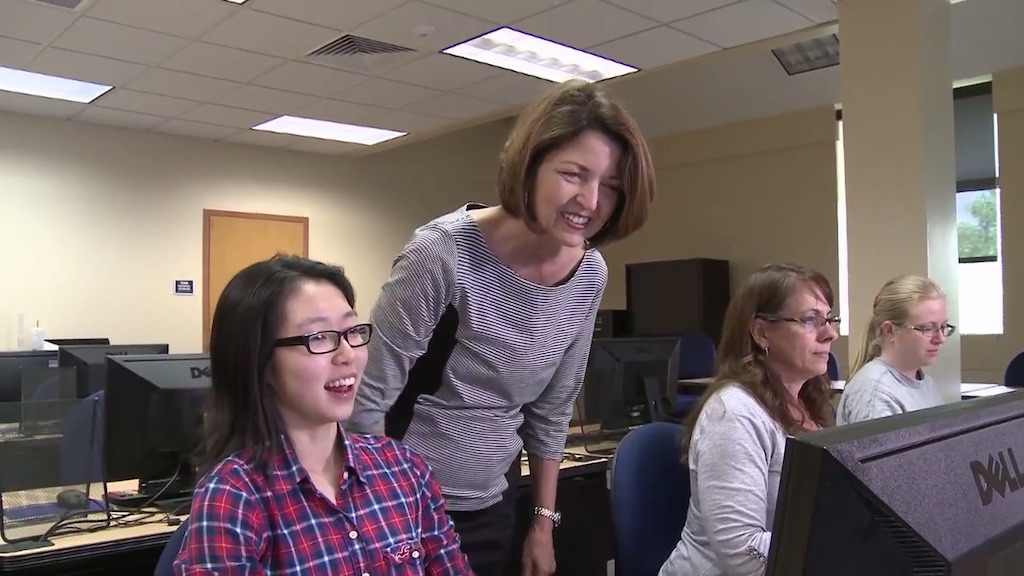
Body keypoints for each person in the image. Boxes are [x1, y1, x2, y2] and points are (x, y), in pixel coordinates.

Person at [344, 79, 656, 575]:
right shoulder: (442, 254)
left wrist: (542, 525)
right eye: (574, 175)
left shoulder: (590, 273)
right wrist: (383, 518)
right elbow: (366, 401)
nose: (591, 200)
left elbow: (552, 412)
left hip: (496, 498)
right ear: (530, 166)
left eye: (611, 186)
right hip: (406, 505)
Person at [173, 254, 471, 575]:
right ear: (259, 360)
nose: (348, 355)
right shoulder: (232, 497)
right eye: (319, 338)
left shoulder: (404, 468)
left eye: (352, 330)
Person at [659, 263, 838, 576]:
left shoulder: (814, 405)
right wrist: (839, 548)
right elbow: (744, 555)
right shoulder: (734, 413)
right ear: (761, 332)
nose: (830, 334)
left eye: (829, 319)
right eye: (811, 320)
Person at [836, 275, 953, 425]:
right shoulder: (876, 392)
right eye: (927, 329)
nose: (941, 338)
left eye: (943, 327)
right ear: (890, 330)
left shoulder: (925, 382)